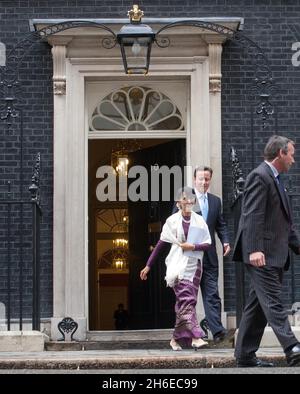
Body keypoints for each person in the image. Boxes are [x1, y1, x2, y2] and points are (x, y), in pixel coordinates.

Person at [233, 135, 300, 368]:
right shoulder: (259, 176)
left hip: (274, 254)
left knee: (257, 306)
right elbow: (252, 215)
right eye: (291, 153)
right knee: (272, 300)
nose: (293, 158)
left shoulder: (276, 179)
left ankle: (244, 355)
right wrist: (254, 249)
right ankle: (292, 347)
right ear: (280, 153)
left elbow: (286, 226)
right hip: (262, 255)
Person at [140, 187, 211, 351]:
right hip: (178, 265)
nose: (188, 202)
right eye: (185, 199)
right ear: (179, 202)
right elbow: (160, 244)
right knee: (187, 300)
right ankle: (196, 337)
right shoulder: (171, 221)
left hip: (195, 266)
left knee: (186, 303)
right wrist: (148, 265)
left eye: (191, 199)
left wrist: (193, 246)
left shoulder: (200, 221)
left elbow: (208, 244)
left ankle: (175, 339)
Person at [177, 167, 231, 342]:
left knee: (212, 294)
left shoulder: (215, 201)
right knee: (187, 296)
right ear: (194, 180)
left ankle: (217, 331)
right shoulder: (186, 197)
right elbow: (174, 221)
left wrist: (225, 241)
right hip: (189, 256)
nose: (204, 182)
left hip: (209, 255)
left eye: (207, 179)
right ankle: (186, 334)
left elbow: (220, 224)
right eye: (201, 179)